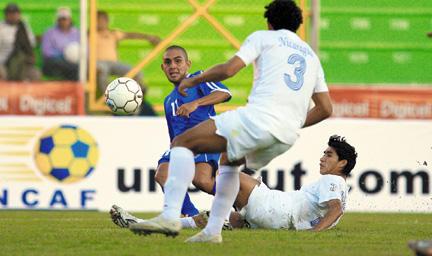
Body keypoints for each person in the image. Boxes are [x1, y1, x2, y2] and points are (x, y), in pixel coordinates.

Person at [129, 0, 333, 243]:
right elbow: (325, 108)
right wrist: (291, 123)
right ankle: (212, 232)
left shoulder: (264, 38)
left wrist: (193, 82)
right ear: (299, 25)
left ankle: (171, 217)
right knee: (228, 163)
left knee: (182, 143)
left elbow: (228, 70)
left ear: (269, 23)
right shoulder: (311, 56)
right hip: (285, 137)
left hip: (257, 119)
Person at [111, 135, 356, 232]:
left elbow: (336, 209)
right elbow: (334, 211)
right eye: (323, 153)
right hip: (277, 221)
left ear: (342, 163)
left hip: (277, 208)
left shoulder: (332, 180)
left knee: (224, 177)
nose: (322, 158)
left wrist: (314, 234)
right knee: (214, 220)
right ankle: (144, 225)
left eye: (329, 155)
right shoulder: (340, 186)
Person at [111, 45, 232, 221]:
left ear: (188, 64)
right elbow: (173, 135)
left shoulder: (199, 79)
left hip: (206, 139)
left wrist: (196, 103)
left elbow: (224, 93)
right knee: (162, 174)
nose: (173, 66)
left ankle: (243, 200)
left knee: (202, 181)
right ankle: (192, 215)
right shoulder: (169, 101)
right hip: (182, 145)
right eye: (167, 62)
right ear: (163, 68)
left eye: (178, 61)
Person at [0, 3, 40, 81]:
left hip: (23, 62)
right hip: (3, 62)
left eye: (15, 13)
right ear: (5, 15)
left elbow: (32, 43)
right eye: (10, 13)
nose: (13, 16)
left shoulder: (23, 26)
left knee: (36, 75)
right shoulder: (1, 27)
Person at [41, 6, 79, 81]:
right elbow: (46, 51)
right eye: (61, 19)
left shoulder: (77, 33)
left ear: (70, 20)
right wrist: (63, 54)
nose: (63, 21)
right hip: (55, 62)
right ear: (57, 20)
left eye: (65, 19)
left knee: (79, 68)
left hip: (74, 62)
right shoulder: (50, 33)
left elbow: (85, 50)